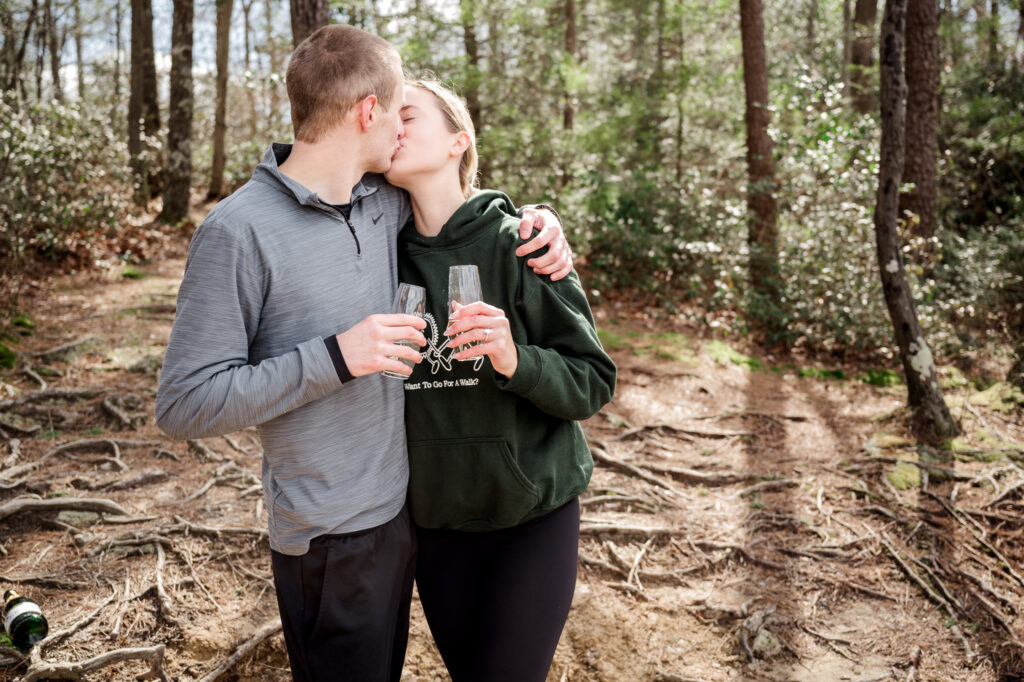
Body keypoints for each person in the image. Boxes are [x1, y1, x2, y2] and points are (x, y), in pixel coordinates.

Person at [154, 25, 572, 682]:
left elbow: (462, 209)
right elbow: (183, 404)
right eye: (398, 108)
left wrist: (540, 224)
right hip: (327, 537)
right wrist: (336, 357)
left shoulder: (386, 204)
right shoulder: (236, 232)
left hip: (409, 521)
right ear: (369, 112)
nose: (402, 131)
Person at [384, 79, 617, 682]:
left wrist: (517, 360)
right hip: (437, 525)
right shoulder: (373, 253)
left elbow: (592, 380)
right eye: (385, 117)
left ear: (460, 141)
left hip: (533, 515)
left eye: (408, 114)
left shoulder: (521, 243)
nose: (393, 126)